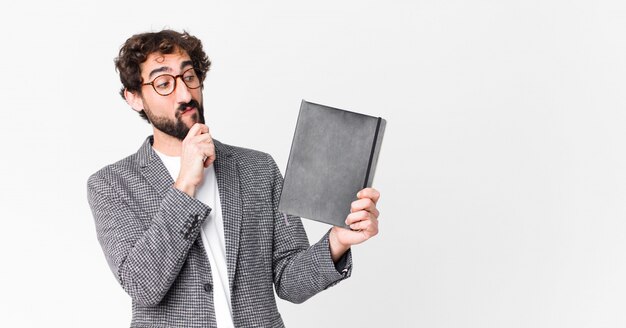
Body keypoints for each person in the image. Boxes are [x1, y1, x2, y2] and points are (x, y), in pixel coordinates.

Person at [87, 29, 381, 328]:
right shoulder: (112, 185)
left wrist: (337, 240)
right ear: (134, 97)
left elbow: (290, 282)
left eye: (190, 77)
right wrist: (186, 183)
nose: (186, 94)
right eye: (164, 83)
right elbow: (143, 285)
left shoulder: (258, 168)